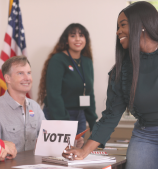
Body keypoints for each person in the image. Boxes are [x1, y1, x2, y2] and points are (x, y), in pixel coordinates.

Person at [62, 2, 158, 169]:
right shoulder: (122, 71)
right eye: (117, 26)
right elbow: (110, 116)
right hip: (146, 135)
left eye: (123, 25)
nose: (118, 31)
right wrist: (84, 151)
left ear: (141, 25)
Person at [37, 23, 98, 139]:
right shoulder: (58, 60)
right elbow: (54, 95)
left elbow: (89, 93)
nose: (78, 39)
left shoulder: (87, 61)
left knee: (76, 154)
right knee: (55, 156)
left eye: (81, 35)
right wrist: (64, 123)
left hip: (80, 116)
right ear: (66, 40)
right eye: (73, 35)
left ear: (86, 39)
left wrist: (94, 124)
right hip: (57, 114)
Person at [0, 56, 45, 153]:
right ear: (8, 78)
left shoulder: (35, 107)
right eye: (20, 73)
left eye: (29, 73)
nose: (27, 78)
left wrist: (72, 141)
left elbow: (48, 137)